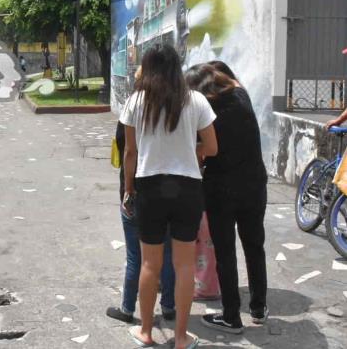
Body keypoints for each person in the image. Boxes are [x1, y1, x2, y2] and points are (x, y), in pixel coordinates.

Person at [121, 44, 218, 349]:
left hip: (149, 186)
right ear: (177, 67)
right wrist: (192, 152)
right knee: (184, 264)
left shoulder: (136, 101)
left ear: (147, 68)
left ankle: (146, 332)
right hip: (187, 187)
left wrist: (128, 189)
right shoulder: (196, 100)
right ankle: (180, 337)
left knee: (150, 264)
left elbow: (130, 152)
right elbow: (212, 148)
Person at [185, 63, 269, 333]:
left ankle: (232, 316)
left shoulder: (205, 112)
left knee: (225, 253)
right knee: (254, 246)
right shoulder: (241, 95)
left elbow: (205, 149)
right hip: (254, 184)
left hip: (221, 188)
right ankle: (258, 307)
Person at [107, 113, 176, 324]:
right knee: (166, 254)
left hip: (137, 190)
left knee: (135, 256)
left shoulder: (133, 108)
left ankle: (128, 309)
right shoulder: (173, 109)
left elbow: (127, 150)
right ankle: (168, 307)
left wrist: (128, 189)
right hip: (166, 190)